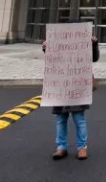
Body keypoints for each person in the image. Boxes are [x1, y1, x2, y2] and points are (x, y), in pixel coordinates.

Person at [42, 25, 99, 161]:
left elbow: (94, 58)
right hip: (61, 85)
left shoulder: (86, 43)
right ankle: (61, 147)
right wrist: (46, 48)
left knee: (79, 119)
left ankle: (82, 147)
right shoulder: (59, 42)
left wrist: (94, 44)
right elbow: (52, 58)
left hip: (77, 85)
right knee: (61, 120)